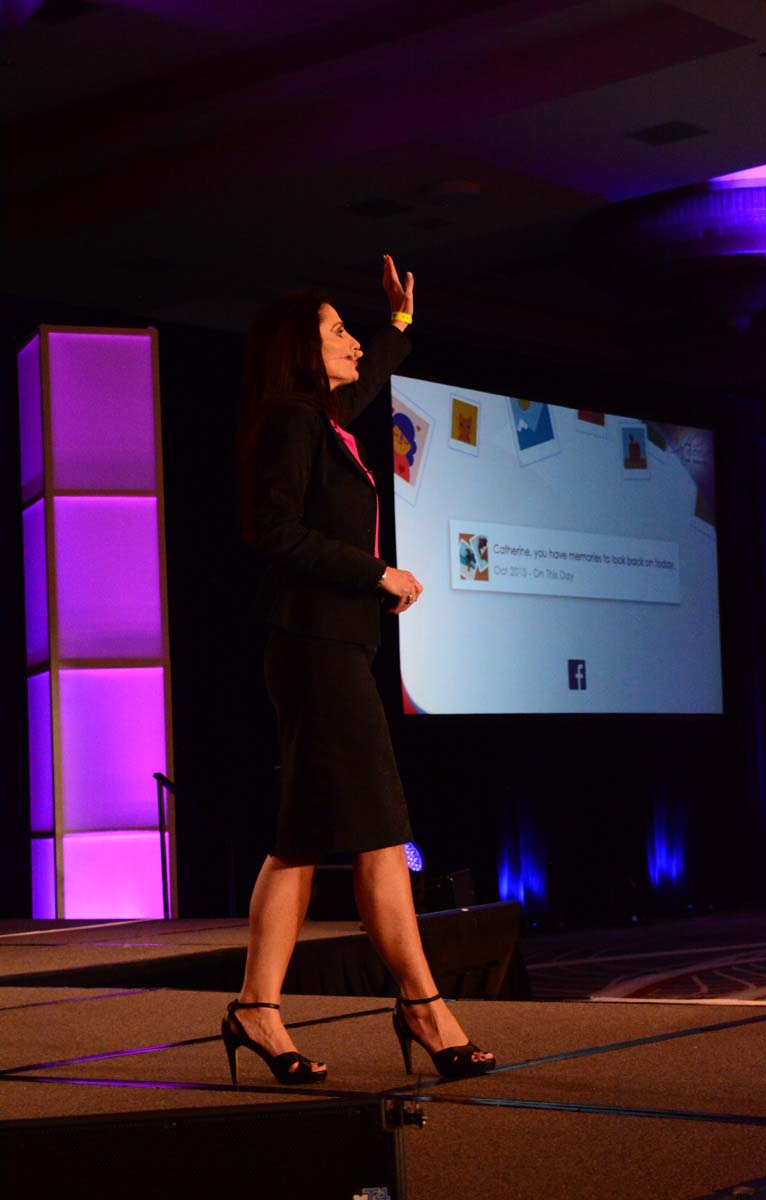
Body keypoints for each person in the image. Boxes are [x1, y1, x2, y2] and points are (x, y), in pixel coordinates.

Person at [222, 254, 496, 1086]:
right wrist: (378, 574)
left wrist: (399, 323)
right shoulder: (292, 421)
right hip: (314, 651)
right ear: (301, 351)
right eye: (338, 331)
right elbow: (274, 532)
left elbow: (372, 376)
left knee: (301, 842)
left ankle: (255, 1010)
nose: (352, 344)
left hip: (332, 647)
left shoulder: (325, 418)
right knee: (379, 828)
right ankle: (423, 1007)